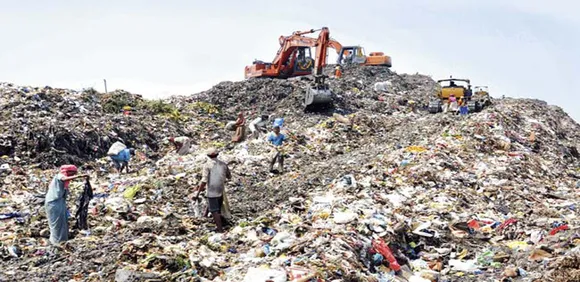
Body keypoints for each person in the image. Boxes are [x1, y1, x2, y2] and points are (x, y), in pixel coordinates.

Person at [45, 165, 90, 245]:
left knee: (63, 222)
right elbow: (64, 178)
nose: (72, 175)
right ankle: (56, 242)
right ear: (67, 172)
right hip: (53, 203)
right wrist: (80, 176)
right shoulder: (60, 175)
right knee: (57, 223)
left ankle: (62, 241)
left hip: (59, 202)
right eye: (72, 173)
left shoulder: (63, 179)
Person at [195, 148, 231, 233]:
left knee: (214, 211)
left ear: (208, 156)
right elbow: (229, 176)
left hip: (212, 191)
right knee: (215, 207)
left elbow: (204, 181)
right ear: (217, 155)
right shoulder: (223, 164)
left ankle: (220, 229)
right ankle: (206, 216)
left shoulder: (207, 165)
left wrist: (197, 193)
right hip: (220, 190)